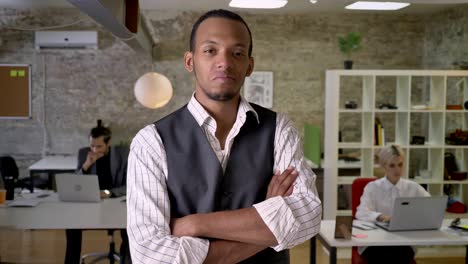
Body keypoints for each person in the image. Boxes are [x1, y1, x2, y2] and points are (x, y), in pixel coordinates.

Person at [126, 9, 322, 264]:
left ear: (249, 65)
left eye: (237, 53)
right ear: (190, 61)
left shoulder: (279, 129)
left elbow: (308, 215)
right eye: (210, 50)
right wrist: (269, 224)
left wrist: (194, 225)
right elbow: (150, 255)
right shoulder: (151, 141)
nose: (225, 62)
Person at [65, 120, 131, 264]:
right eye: (92, 145)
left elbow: (130, 184)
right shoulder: (84, 153)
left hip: (115, 202)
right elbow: (75, 184)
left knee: (129, 228)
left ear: (108, 143)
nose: (95, 150)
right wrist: (86, 165)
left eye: (99, 146)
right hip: (91, 204)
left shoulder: (122, 154)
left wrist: (108, 193)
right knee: (71, 226)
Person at [356, 144, 430, 264]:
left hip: (403, 242)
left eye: (400, 165)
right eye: (392, 165)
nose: (397, 170)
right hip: (375, 242)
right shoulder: (372, 187)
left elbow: (430, 206)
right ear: (384, 166)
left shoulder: (413, 187)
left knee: (399, 254)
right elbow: (361, 212)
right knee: (386, 256)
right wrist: (381, 217)